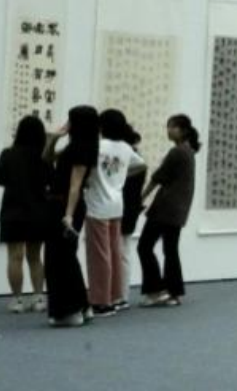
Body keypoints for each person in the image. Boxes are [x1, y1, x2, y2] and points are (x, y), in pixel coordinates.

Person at [43, 106, 100, 328]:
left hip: (66, 206)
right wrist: (53, 139)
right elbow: (47, 158)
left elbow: (75, 186)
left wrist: (68, 215)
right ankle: (82, 307)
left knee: (59, 259)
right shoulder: (75, 146)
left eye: (71, 120)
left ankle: (70, 311)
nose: (67, 124)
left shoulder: (81, 148)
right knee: (66, 257)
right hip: (61, 204)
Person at [86, 110, 145, 317]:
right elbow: (142, 165)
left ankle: (101, 302)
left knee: (99, 256)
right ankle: (116, 297)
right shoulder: (126, 148)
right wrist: (122, 175)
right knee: (114, 253)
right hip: (117, 206)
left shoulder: (98, 146)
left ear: (102, 126)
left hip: (98, 207)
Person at [0, 116, 51, 314]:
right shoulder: (44, 156)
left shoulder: (8, 154)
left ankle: (17, 300)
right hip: (38, 210)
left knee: (15, 256)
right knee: (35, 257)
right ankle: (39, 298)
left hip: (13, 210)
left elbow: (0, 180)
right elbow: (51, 181)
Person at [138, 115, 198, 307]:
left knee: (145, 246)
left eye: (172, 127)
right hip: (177, 209)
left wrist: (141, 197)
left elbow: (157, 177)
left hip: (165, 208)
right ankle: (173, 292)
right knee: (170, 250)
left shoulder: (177, 152)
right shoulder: (188, 151)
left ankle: (156, 290)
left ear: (182, 130)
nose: (168, 130)